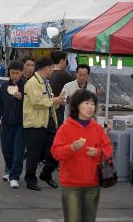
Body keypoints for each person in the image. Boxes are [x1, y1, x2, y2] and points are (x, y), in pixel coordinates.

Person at [51, 89, 112, 222]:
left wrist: (97, 153)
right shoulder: (65, 128)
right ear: (77, 105)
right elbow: (56, 153)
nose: (90, 107)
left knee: (89, 219)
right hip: (71, 185)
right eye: (86, 103)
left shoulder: (97, 128)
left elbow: (108, 151)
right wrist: (71, 148)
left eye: (93, 104)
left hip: (93, 184)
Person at [23, 57, 65, 191]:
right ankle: (30, 179)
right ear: (46, 68)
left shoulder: (45, 83)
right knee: (33, 155)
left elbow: (49, 100)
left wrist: (58, 101)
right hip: (35, 124)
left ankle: (46, 174)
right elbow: (37, 102)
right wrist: (54, 100)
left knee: (55, 152)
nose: (52, 70)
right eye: (52, 68)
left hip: (48, 123)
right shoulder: (32, 83)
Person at [0, 61, 26, 188]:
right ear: (9, 72)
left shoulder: (26, 86)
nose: (14, 75)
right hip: (7, 122)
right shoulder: (4, 86)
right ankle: (10, 170)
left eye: (17, 73)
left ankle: (14, 176)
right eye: (12, 73)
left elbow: (31, 103)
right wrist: (1, 114)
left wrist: (22, 98)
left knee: (18, 150)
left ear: (22, 73)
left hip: (21, 123)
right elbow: (0, 102)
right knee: (6, 148)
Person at [49, 51, 73, 125]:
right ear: (62, 60)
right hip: (61, 111)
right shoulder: (66, 76)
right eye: (65, 60)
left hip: (47, 110)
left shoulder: (47, 74)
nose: (66, 62)